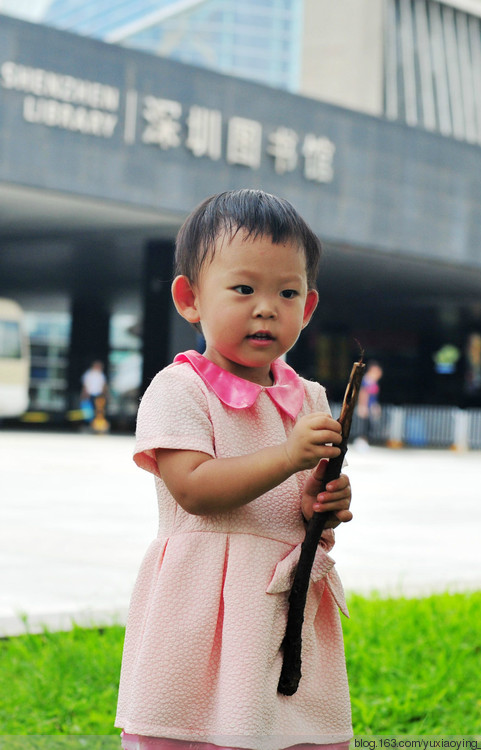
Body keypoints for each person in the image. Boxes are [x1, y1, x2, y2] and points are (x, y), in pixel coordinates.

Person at [115, 190, 354, 750]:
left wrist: (322, 503)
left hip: (281, 607)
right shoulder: (180, 388)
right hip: (203, 606)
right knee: (196, 726)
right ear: (190, 298)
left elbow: (296, 504)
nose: (266, 306)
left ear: (308, 307)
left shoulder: (310, 397)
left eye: (286, 292)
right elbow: (194, 489)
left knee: (290, 726)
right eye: (243, 288)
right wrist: (289, 456)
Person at [355, 360, 383, 449]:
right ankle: (361, 441)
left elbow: (374, 396)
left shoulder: (374, 381)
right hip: (365, 405)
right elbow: (363, 393)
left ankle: (365, 440)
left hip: (371, 405)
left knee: (369, 425)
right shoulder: (367, 380)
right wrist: (363, 406)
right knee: (363, 425)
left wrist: (375, 406)